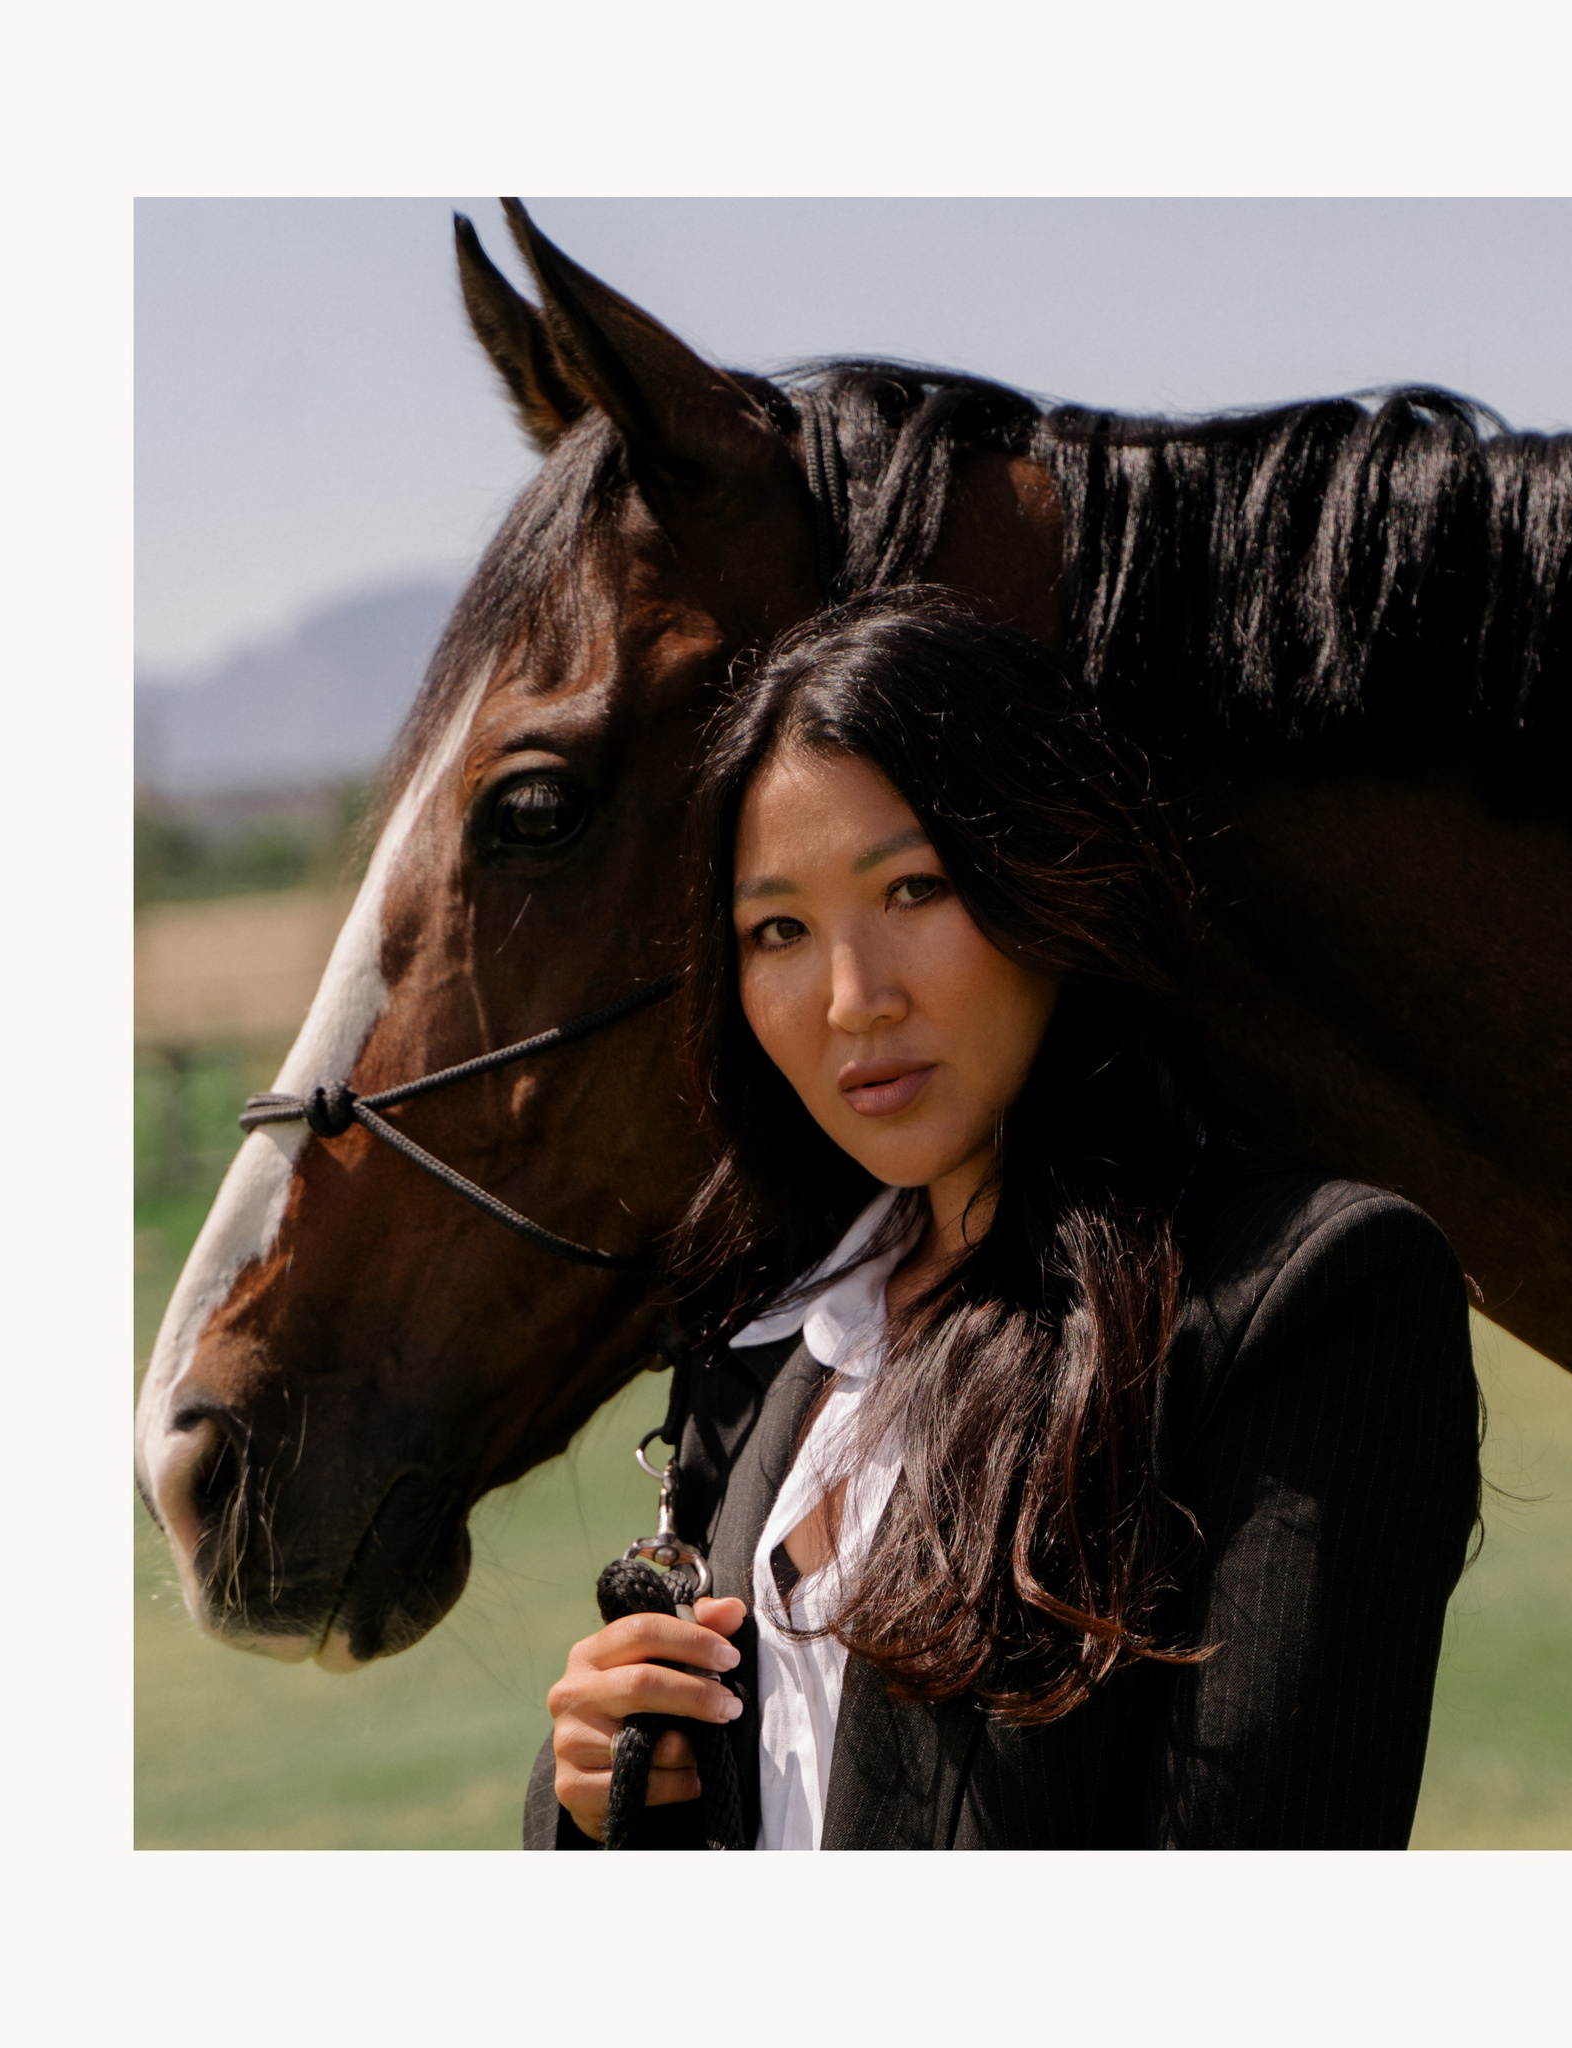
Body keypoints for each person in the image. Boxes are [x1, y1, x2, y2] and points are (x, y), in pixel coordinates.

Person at [527, 589, 1481, 1850]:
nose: (852, 998)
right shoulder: (764, 1324)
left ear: (1050, 875)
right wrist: (592, 1788)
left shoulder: (1302, 1293)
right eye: (780, 929)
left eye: (914, 888)